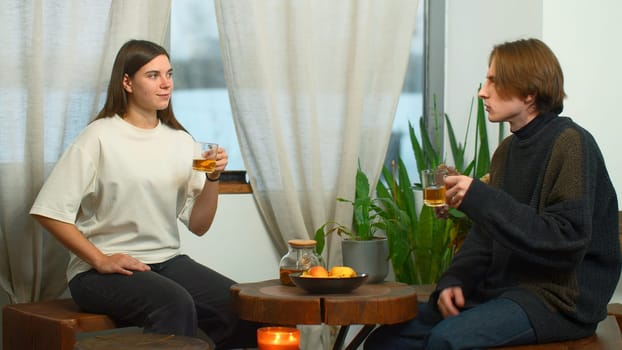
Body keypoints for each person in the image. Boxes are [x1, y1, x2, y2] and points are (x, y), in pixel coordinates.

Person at [364, 38, 620, 349]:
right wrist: (454, 280)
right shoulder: (506, 151)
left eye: (494, 81)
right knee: (390, 339)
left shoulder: (571, 144)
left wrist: (480, 195)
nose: (482, 91)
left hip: (558, 301)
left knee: (446, 340)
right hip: (507, 292)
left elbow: (565, 241)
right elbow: (487, 237)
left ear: (529, 92)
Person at [30, 39, 258, 349]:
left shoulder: (181, 142)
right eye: (153, 75)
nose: (166, 84)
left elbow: (199, 225)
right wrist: (99, 260)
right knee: (174, 304)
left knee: (242, 306)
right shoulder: (99, 136)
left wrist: (213, 178)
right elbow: (48, 211)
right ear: (127, 82)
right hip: (98, 273)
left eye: (169, 74)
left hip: (166, 261)